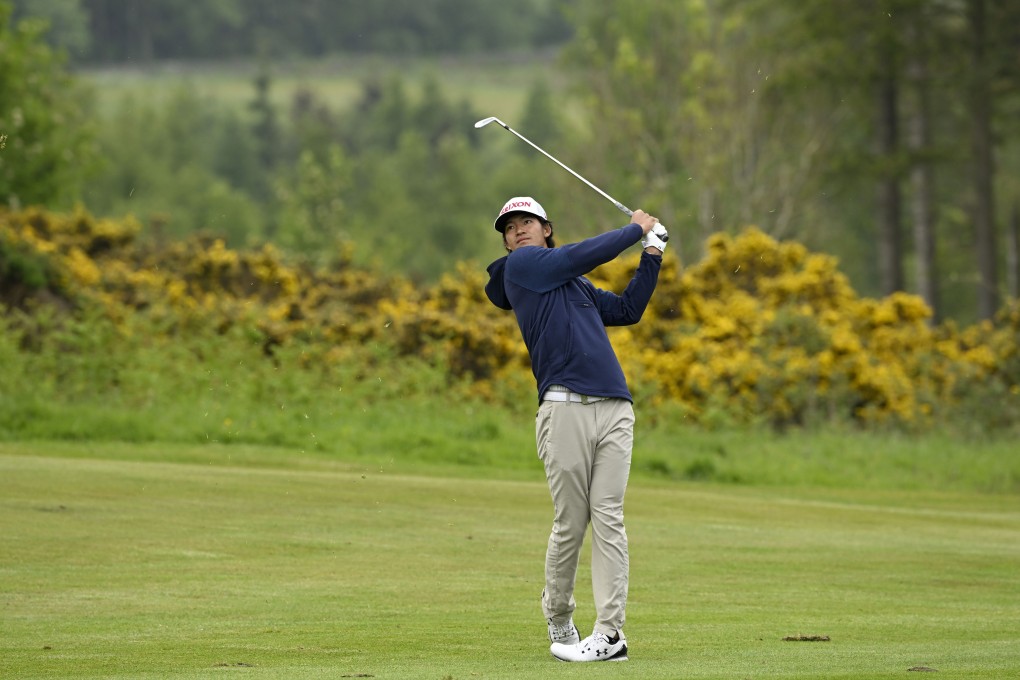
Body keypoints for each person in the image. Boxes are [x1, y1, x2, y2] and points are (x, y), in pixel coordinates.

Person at [483, 196, 668, 662]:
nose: (518, 231)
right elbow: (578, 254)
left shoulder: (576, 285)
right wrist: (633, 230)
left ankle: (609, 634)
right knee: (572, 521)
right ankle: (560, 614)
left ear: (547, 227)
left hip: (614, 407)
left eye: (527, 222)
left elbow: (627, 311)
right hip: (563, 408)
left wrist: (651, 255)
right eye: (510, 227)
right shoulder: (523, 268)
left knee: (609, 517)